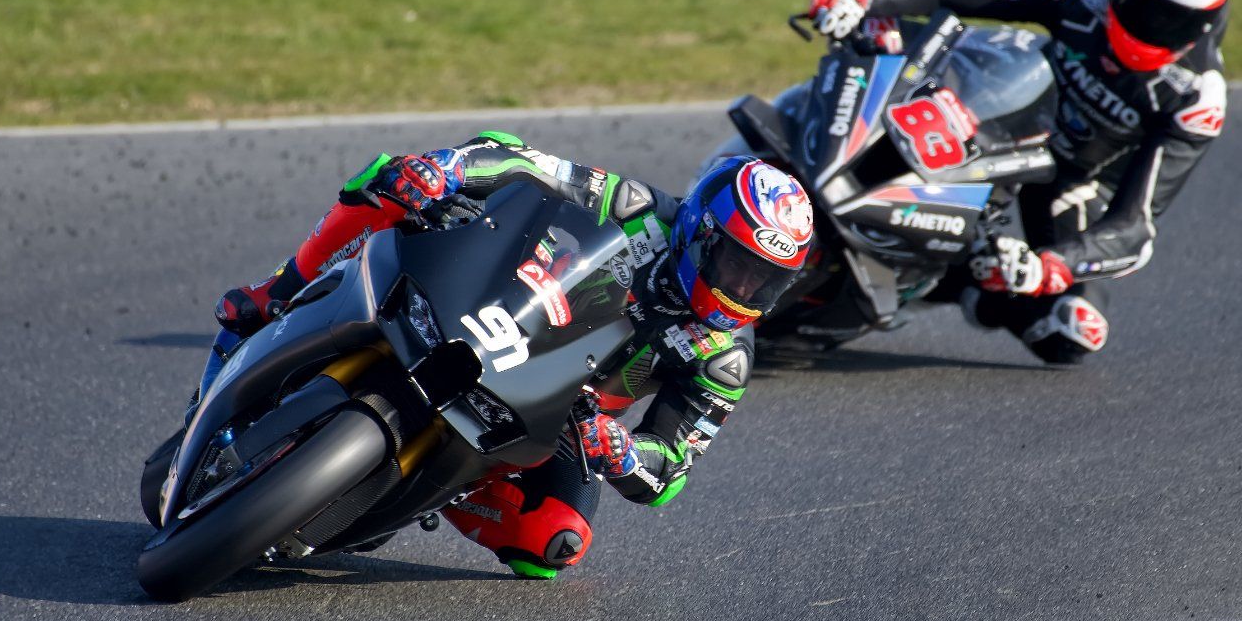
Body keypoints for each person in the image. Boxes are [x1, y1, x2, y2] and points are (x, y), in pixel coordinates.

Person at [201, 134, 814, 578]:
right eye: (737, 264)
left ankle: (443, 490)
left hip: (554, 415)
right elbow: (520, 159)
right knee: (394, 177)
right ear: (702, 232)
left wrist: (623, 451)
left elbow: (669, 472)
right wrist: (448, 169)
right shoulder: (634, 208)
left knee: (556, 544)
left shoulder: (723, 359)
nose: (745, 289)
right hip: (495, 311)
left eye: (765, 280)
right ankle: (276, 292)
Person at [804, 0, 1233, 364]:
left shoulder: (1196, 97)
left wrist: (1050, 267)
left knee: (1071, 330)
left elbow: (1135, 228)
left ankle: (962, 281)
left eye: (1174, 20)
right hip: (1004, 113)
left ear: (1205, 24)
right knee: (880, 31)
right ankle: (811, 133)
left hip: (1075, 182)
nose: (1153, 26)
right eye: (1143, 6)